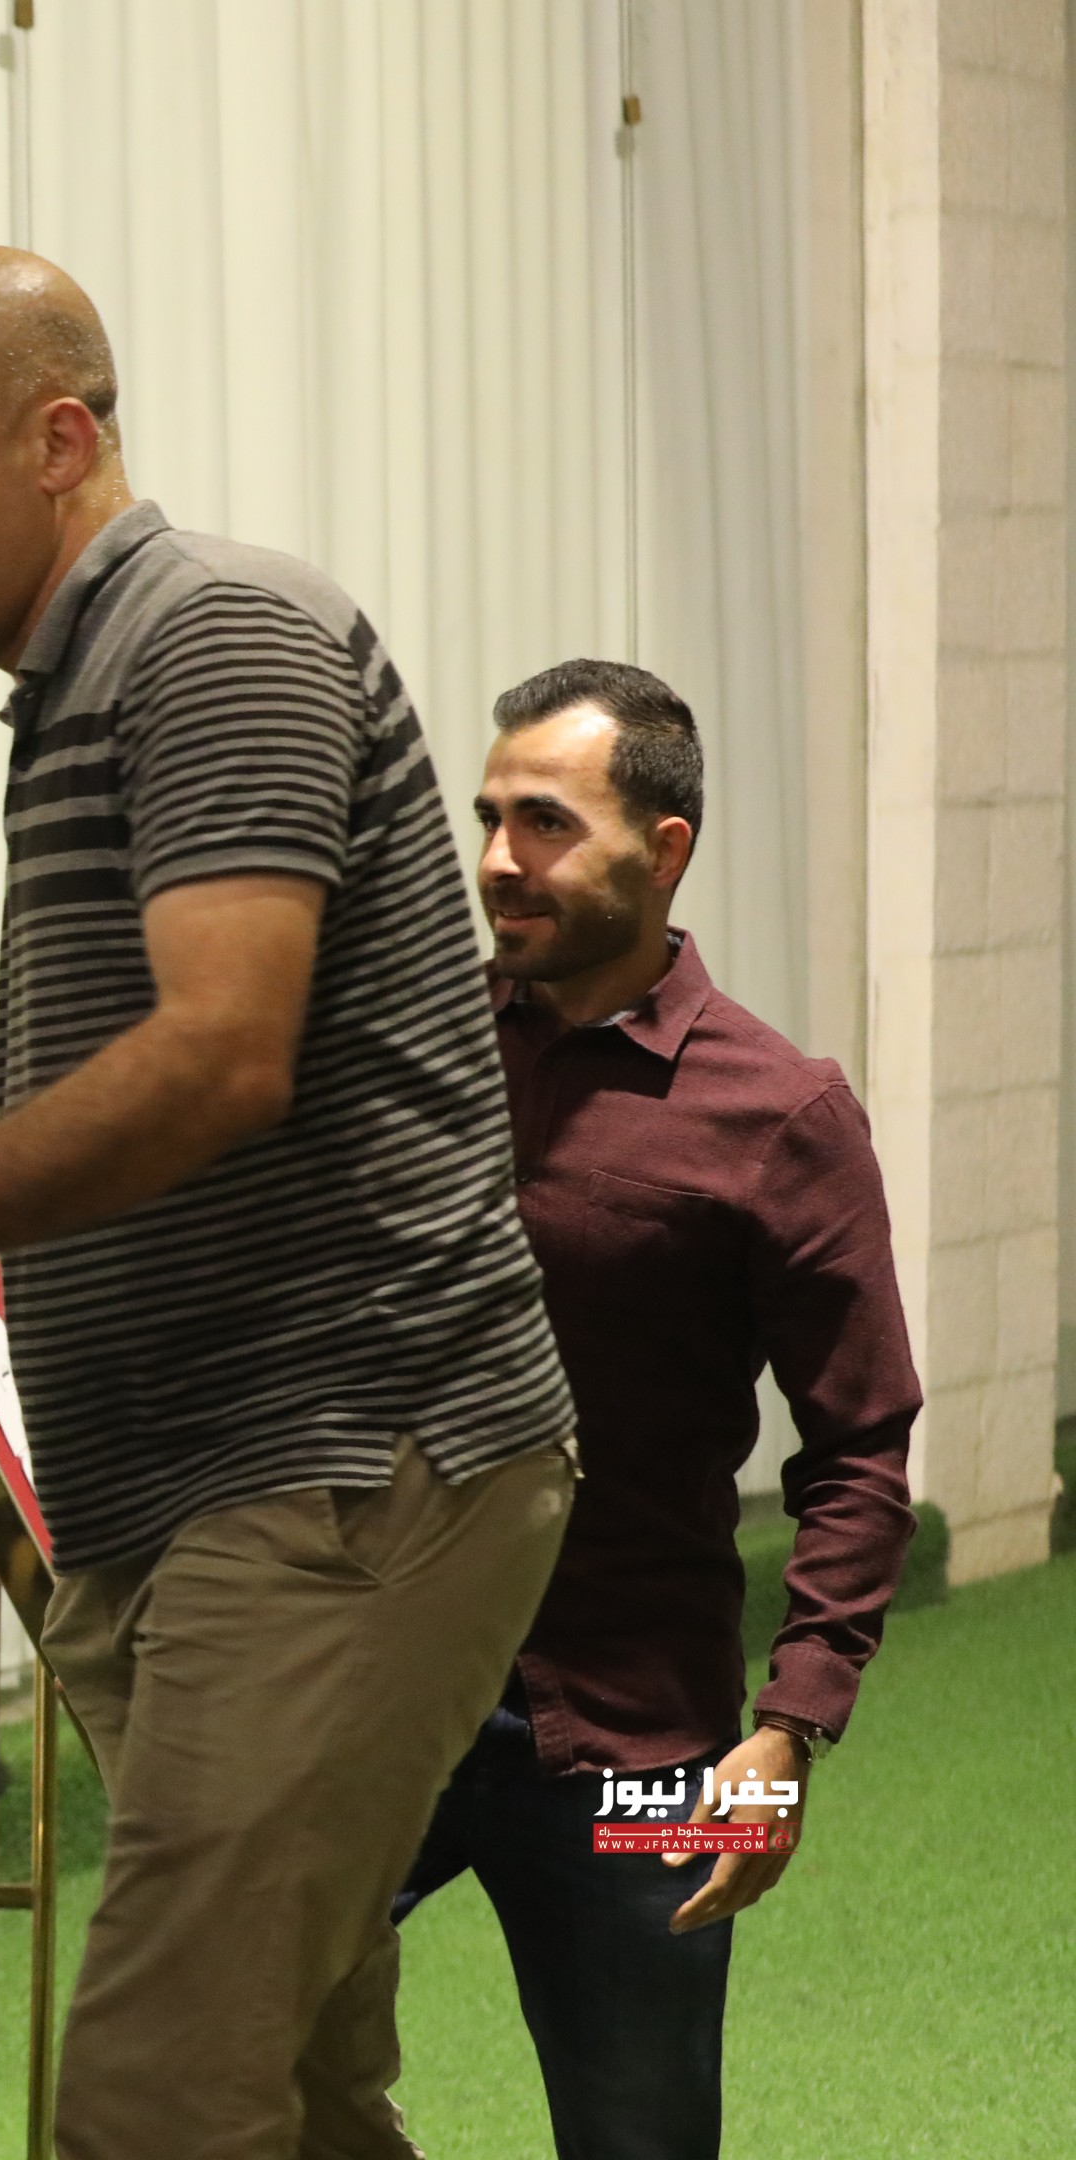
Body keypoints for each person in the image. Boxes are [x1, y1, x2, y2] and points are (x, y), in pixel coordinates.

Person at [0, 245, 577, 2158]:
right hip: (180, 1488)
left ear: (59, 439)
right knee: (295, 2090)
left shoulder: (214, 635)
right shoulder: (85, 682)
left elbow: (222, 1057)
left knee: (157, 2098)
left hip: (339, 1470)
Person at [369, 658, 920, 2159]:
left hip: (643, 1743)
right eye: (488, 818)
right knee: (223, 2045)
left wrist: (789, 1732)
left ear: (664, 849)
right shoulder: (414, 1048)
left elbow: (860, 1444)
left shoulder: (782, 1114)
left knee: (644, 2135)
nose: (499, 859)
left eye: (545, 823)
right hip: (385, 1692)